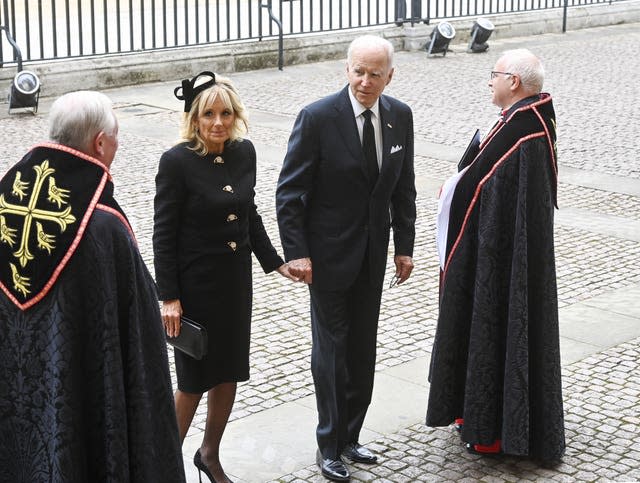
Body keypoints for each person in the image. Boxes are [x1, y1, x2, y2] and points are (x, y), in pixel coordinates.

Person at [0, 91, 186, 482]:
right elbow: (139, 342)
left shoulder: (6, 201)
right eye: (116, 136)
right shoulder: (103, 228)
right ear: (100, 142)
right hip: (82, 403)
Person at [276, 35, 416, 481]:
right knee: (331, 352)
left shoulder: (399, 117)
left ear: (389, 76)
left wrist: (405, 247)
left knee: (361, 349)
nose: (365, 81)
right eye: (359, 71)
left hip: (373, 256)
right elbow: (290, 192)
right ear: (346, 69)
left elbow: (403, 188)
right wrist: (296, 253)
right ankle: (329, 443)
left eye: (375, 73)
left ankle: (352, 436)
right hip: (327, 258)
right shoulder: (317, 118)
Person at [153, 72, 295, 483]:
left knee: (229, 371)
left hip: (234, 283)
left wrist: (275, 262)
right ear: (194, 118)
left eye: (226, 113)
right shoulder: (176, 162)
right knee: (193, 381)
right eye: (209, 114)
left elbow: (249, 214)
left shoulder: (243, 152)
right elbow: (163, 234)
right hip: (195, 288)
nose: (218, 122)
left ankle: (209, 455)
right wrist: (170, 297)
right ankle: (161, 466)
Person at [426, 49, 565, 463]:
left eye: (495, 74)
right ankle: (483, 417)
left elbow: (492, 190)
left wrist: (456, 192)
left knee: (499, 321)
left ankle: (495, 430)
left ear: (515, 82)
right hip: (500, 252)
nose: (490, 80)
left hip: (500, 261)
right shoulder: (527, 120)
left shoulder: (524, 131)